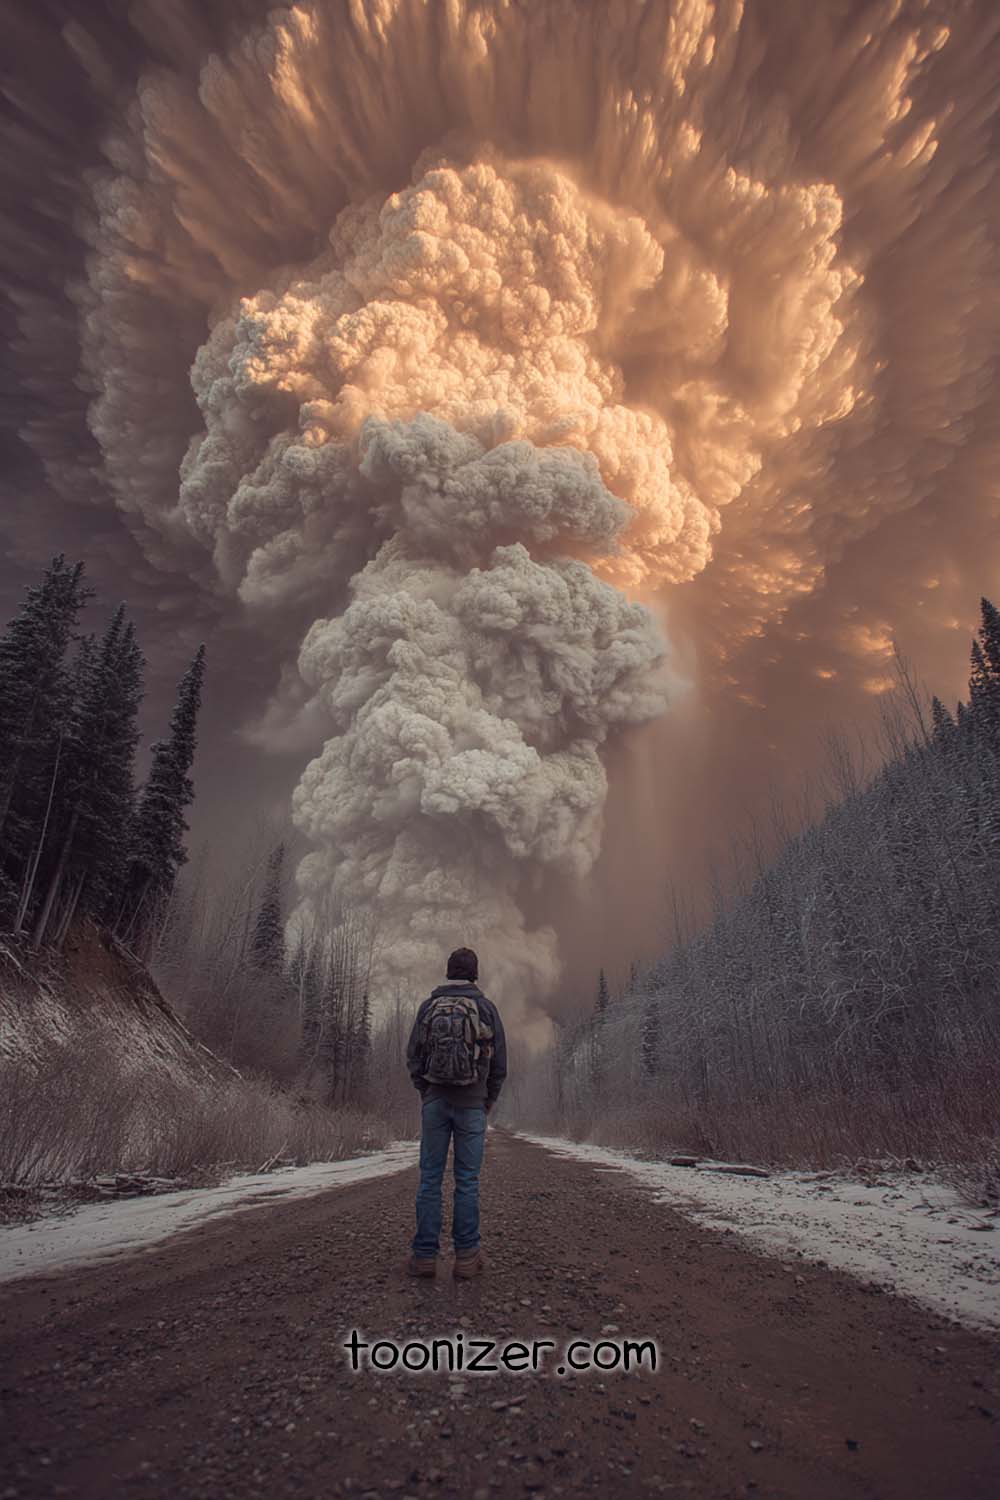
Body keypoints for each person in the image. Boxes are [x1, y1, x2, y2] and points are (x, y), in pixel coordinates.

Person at [406, 946, 507, 1278]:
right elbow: (500, 1066)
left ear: (448, 972)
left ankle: (424, 1257)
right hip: (472, 1105)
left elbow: (413, 1058)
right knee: (467, 1180)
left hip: (435, 1102)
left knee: (430, 1178)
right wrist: (486, 1100)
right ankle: (466, 1257)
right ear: (474, 974)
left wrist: (427, 1093)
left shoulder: (428, 1007)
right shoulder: (486, 1008)